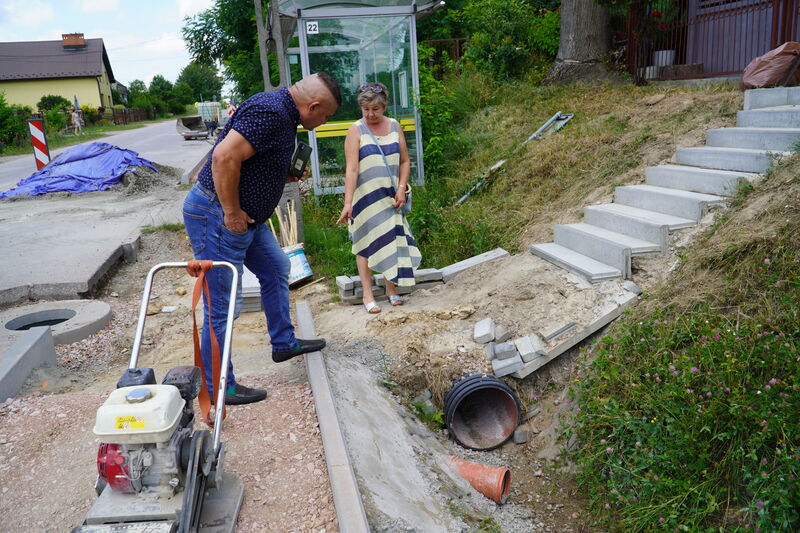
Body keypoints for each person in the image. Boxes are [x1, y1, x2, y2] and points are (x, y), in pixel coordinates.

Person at [182, 73, 341, 405]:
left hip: (247, 219)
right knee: (222, 306)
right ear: (313, 106)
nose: (323, 122)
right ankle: (219, 386)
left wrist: (283, 174)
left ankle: (283, 343)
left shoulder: (284, 115)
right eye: (325, 116)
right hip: (218, 215)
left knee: (276, 267)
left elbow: (251, 160)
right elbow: (224, 157)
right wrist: (231, 211)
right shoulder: (271, 113)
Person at [336, 82, 421, 314]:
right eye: (366, 110)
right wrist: (348, 203)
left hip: (391, 197)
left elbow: (404, 161)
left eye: (375, 109)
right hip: (364, 198)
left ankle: (391, 289)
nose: (371, 114)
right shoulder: (356, 129)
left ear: (384, 106)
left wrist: (402, 188)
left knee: (390, 239)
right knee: (365, 243)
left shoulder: (394, 126)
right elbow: (351, 169)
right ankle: (367, 294)